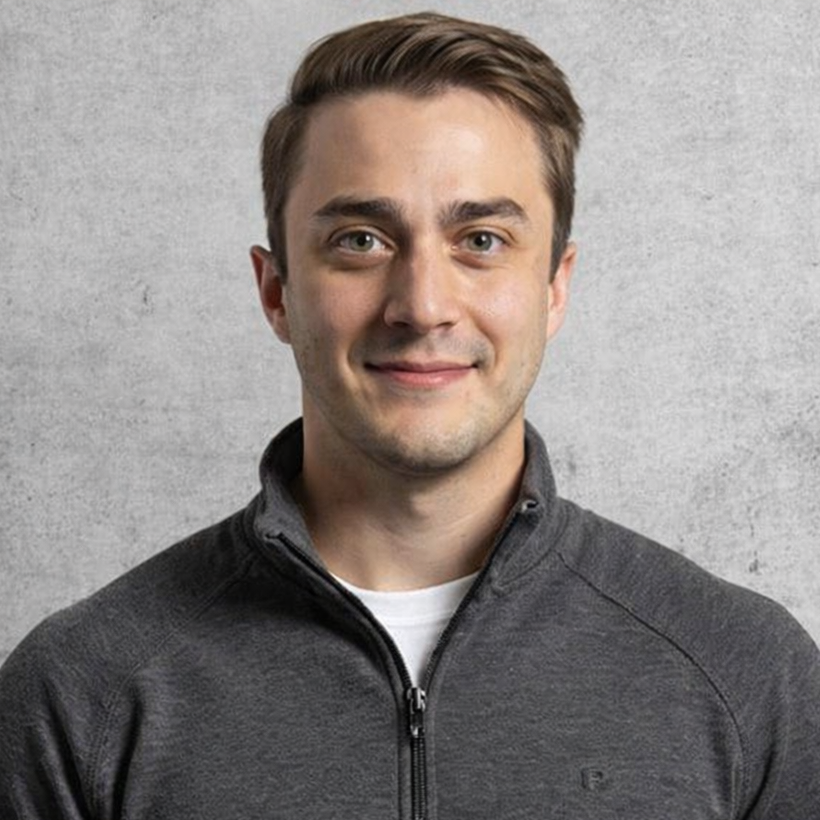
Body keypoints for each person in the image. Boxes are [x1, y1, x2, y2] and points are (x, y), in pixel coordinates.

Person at [1, 11, 818, 819]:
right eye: (361, 240)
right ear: (276, 291)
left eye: (482, 240)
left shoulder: (749, 678)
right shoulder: (78, 698)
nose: (423, 305)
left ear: (554, 287)